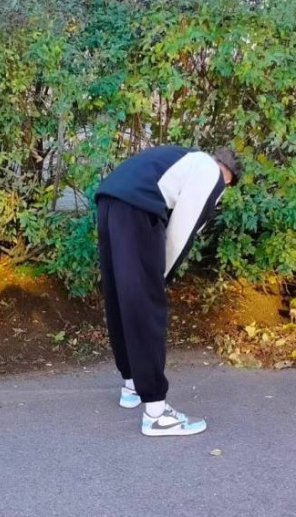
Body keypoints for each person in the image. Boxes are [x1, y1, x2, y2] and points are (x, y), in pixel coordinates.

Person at [95, 145, 240, 436]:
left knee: (122, 298)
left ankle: (132, 385)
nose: (220, 194)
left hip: (110, 201)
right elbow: (183, 229)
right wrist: (160, 278)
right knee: (146, 306)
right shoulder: (209, 171)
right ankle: (156, 413)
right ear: (227, 175)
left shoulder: (181, 157)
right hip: (138, 211)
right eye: (225, 188)